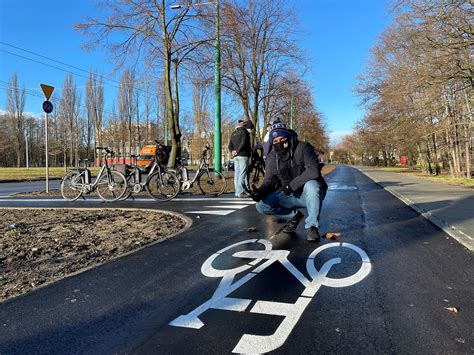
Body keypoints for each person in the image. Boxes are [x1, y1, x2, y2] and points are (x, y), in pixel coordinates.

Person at [249, 127, 327, 241]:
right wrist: (260, 192)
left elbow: (313, 170)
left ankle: (312, 226)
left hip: (308, 195)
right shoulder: (271, 157)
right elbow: (269, 180)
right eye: (275, 141)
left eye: (282, 139)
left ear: (289, 138)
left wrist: (291, 186)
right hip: (288, 195)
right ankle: (294, 216)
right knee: (261, 205)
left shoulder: (303, 147)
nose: (279, 143)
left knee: (312, 185)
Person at [228, 119, 252, 197]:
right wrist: (238, 151)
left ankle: (237, 192)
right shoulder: (244, 132)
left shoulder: (233, 133)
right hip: (243, 155)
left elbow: (230, 145)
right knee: (242, 174)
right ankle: (240, 192)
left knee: (237, 174)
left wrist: (233, 151)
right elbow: (243, 142)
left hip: (235, 156)